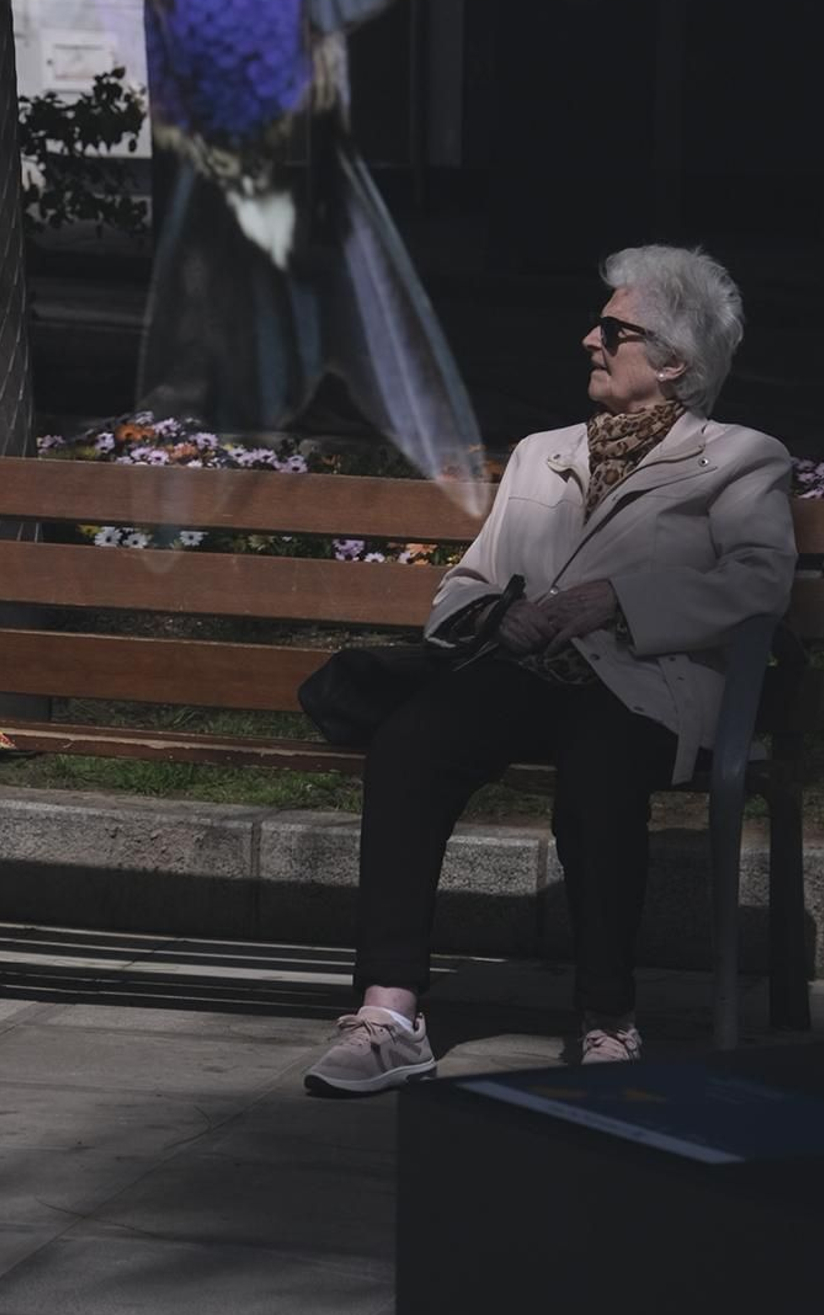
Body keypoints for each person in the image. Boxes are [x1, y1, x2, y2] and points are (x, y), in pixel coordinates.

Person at [303, 244, 796, 1094]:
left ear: (674, 362)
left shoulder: (742, 457)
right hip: (526, 670)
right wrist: (498, 614)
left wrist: (619, 598)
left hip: (646, 681)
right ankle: (389, 1012)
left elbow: (759, 580)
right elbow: (467, 582)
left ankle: (609, 1017)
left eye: (613, 329)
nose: (588, 340)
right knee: (412, 743)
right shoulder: (543, 451)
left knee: (601, 767)